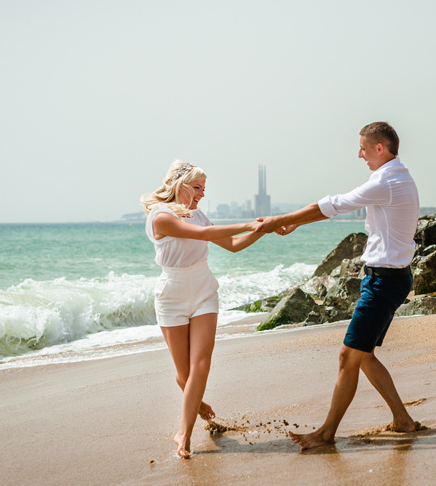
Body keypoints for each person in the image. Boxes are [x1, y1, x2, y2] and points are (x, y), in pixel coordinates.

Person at [256, 122, 421, 450]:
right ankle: (402, 420)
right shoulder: (396, 177)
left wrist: (278, 220)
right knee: (365, 356)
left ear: (380, 148)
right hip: (386, 278)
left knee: (348, 356)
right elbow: (335, 207)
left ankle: (325, 433)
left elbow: (333, 204)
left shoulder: (387, 181)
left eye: (363, 148)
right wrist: (293, 222)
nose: (359, 154)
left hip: (384, 282)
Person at [141, 160, 265, 458]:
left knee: (201, 365)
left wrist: (264, 230)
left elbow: (233, 244)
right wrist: (254, 222)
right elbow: (201, 235)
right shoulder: (160, 217)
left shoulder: (199, 214)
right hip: (172, 295)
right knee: (184, 374)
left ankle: (183, 434)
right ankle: (196, 403)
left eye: (204, 189)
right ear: (178, 185)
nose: (202, 194)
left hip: (204, 290)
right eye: (197, 187)